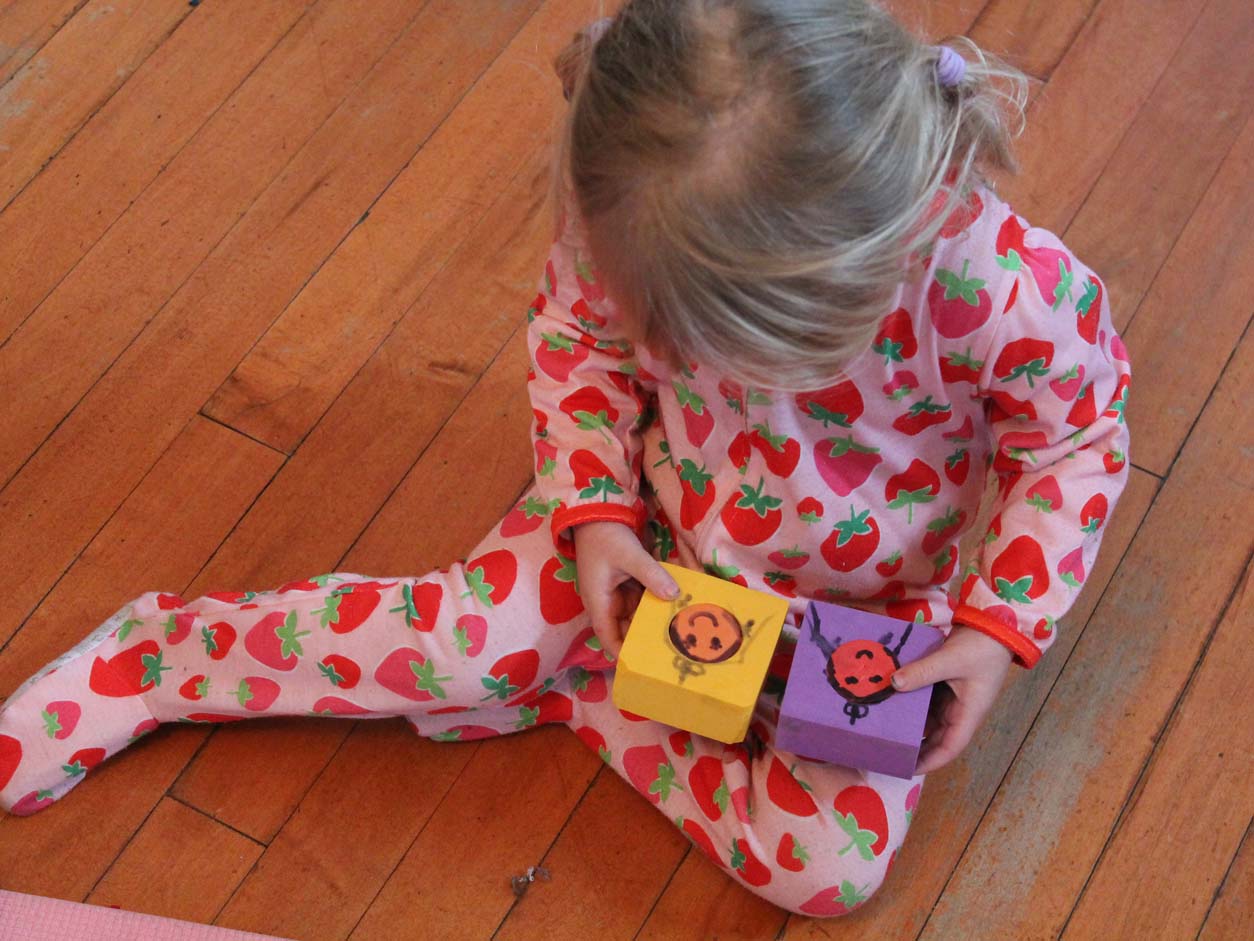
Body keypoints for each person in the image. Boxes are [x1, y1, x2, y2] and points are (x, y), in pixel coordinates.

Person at [0, 0, 1130, 918]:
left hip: (859, 616)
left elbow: (1075, 443)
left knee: (824, 871)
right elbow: (578, 344)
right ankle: (160, 658)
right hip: (644, 534)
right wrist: (595, 509)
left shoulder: (1002, 288)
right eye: (672, 339)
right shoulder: (634, 204)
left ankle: (578, 691)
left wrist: (995, 629)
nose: (682, 365)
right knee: (453, 649)